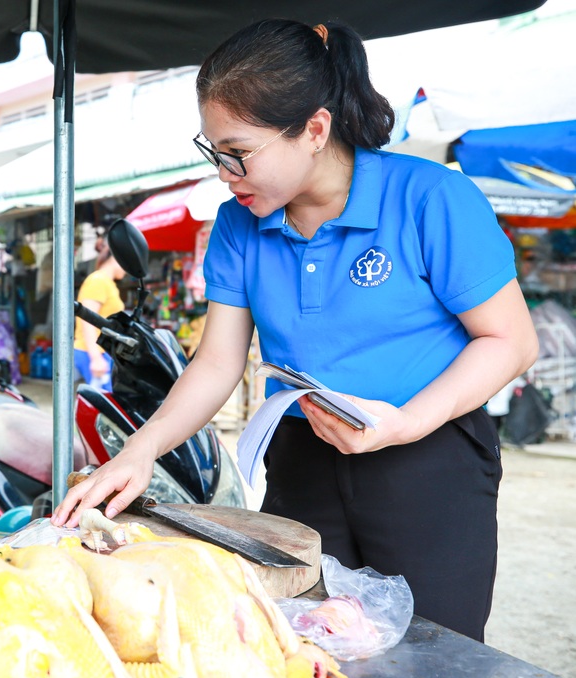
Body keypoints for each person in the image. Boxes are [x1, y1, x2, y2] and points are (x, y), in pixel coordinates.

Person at [53, 19, 539, 642]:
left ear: (314, 129)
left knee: (429, 649)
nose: (226, 173)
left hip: (429, 456)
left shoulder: (429, 198)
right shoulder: (238, 225)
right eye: (213, 152)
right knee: (295, 637)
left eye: (239, 152)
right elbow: (217, 362)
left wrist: (402, 423)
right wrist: (139, 452)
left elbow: (510, 340)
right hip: (302, 453)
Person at [74, 237, 126, 388]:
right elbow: (87, 320)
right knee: (104, 405)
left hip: (102, 352)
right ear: (116, 259)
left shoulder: (107, 283)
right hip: (91, 351)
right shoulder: (98, 281)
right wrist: (95, 357)